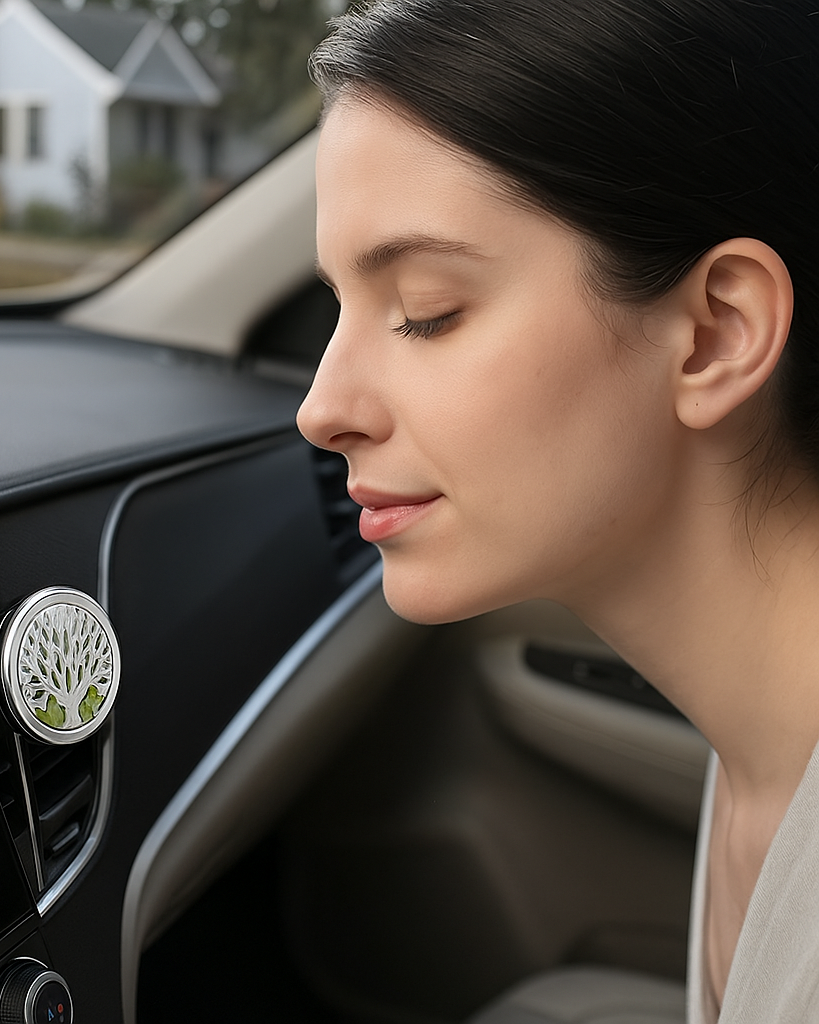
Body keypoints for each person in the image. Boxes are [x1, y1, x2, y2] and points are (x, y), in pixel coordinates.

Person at [295, 1, 819, 1021]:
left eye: (426, 310)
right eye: (337, 308)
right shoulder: (765, 742)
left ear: (715, 333)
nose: (321, 410)